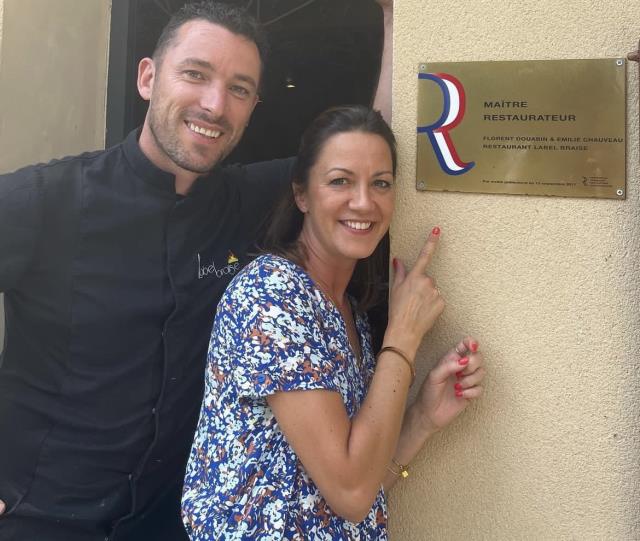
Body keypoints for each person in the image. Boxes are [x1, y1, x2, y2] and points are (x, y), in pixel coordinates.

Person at [0, 1, 393, 540]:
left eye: (239, 88)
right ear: (147, 77)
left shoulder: (246, 200)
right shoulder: (44, 201)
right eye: (195, 74)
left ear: (253, 106)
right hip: (38, 517)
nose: (214, 104)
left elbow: (362, 155)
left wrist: (397, 21)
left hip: (169, 522)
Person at [181, 105, 485, 539]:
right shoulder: (273, 296)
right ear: (302, 194)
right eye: (340, 181)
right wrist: (402, 337)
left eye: (380, 183)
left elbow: (350, 486)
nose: (364, 202)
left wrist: (422, 418)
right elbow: (352, 491)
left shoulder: (347, 312)